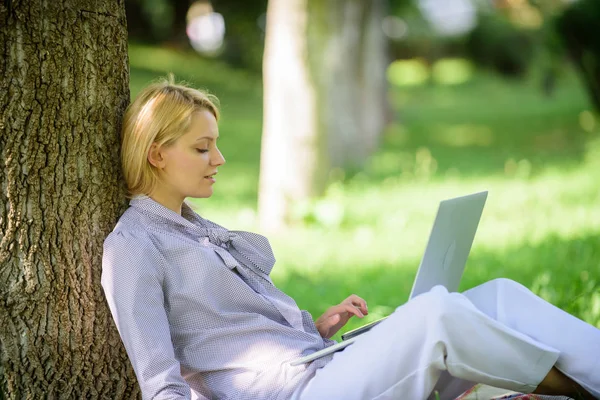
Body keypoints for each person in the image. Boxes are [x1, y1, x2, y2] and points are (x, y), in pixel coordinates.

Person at [101, 78, 600, 400]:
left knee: (499, 296)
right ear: (157, 154)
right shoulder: (135, 246)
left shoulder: (198, 229)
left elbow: (238, 340)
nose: (220, 159)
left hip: (321, 369)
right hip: (296, 396)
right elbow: (161, 382)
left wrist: (317, 331)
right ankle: (574, 390)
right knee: (438, 313)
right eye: (202, 147)